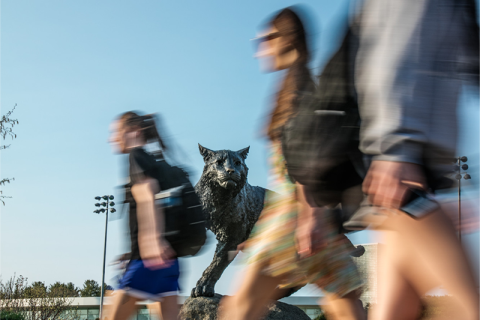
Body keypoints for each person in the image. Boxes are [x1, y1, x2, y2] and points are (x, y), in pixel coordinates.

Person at [219, 7, 365, 320]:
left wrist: (306, 218)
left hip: (295, 217)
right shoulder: (295, 86)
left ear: (287, 39)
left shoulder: (298, 90)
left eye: (267, 38)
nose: (260, 48)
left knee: (239, 308)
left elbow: (305, 162)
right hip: (312, 218)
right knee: (346, 306)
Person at [353, 0, 479, 319]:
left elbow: (408, 50)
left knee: (401, 308)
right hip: (409, 153)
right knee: (409, 306)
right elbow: (401, 54)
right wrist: (397, 146)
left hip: (408, 153)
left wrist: (397, 147)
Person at [106, 111, 179, 320]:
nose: (112, 138)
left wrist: (151, 239)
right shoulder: (155, 160)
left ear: (133, 132)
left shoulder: (136, 155)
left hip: (148, 259)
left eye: (116, 132)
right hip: (169, 259)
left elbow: (148, 193)